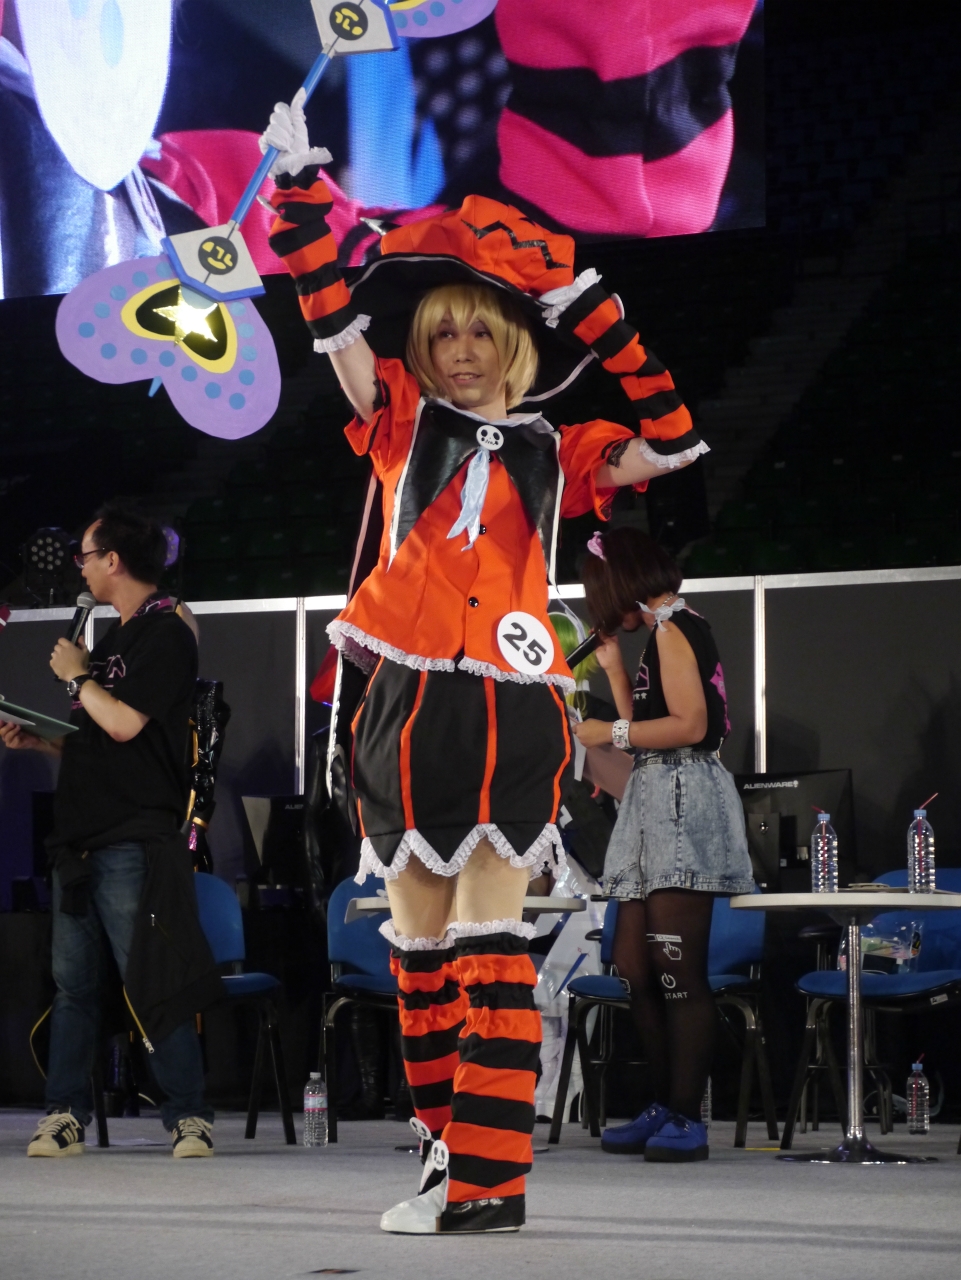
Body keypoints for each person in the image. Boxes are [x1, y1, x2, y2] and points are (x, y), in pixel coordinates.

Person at [261, 94, 707, 1233]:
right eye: (442, 335)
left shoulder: (569, 446)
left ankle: (492, 1182)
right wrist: (299, 205)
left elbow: (674, 436)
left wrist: (591, 308)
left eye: (479, 333)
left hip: (510, 706)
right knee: (416, 955)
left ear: (513, 343)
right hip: (401, 701)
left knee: (493, 941)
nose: (459, 352)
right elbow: (334, 327)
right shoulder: (396, 419)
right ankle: (445, 1153)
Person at [0, 504, 222, 1158]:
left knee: (151, 977)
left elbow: (126, 725)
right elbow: (100, 739)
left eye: (87, 556)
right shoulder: (110, 641)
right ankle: (63, 1113)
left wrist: (76, 676)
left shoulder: (166, 631)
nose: (82, 569)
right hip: (79, 837)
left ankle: (189, 1115)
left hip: (132, 835)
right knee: (74, 986)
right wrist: (40, 740)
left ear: (115, 560)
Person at [572, 526, 754, 1161]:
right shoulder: (659, 632)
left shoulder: (676, 628)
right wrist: (616, 672)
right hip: (651, 799)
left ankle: (685, 1115)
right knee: (634, 963)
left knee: (676, 967)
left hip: (682, 797)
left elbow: (690, 726)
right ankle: (661, 1103)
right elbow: (648, 724)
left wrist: (606, 730)